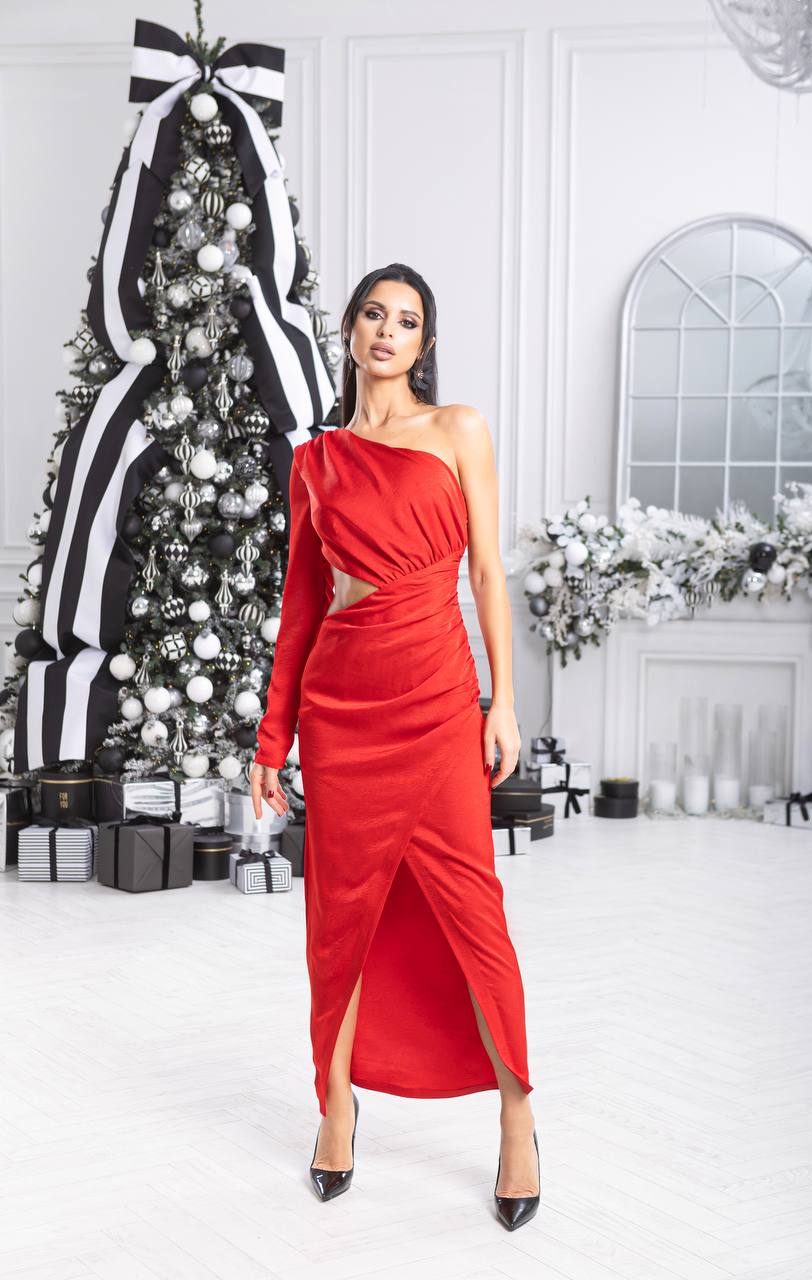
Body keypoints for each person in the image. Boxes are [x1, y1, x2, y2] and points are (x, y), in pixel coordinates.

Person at [250, 263, 540, 1230]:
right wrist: (272, 733)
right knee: (341, 918)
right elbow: (299, 611)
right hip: (342, 708)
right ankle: (335, 1109)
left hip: (436, 696)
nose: (387, 331)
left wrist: (501, 703)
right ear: (348, 329)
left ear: (423, 342)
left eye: (406, 320)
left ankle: (515, 1116)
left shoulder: (458, 429)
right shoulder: (316, 461)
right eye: (374, 314)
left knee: (475, 912)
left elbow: (490, 575)